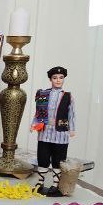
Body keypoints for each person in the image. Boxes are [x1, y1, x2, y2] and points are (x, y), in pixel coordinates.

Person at [30, 66, 75, 197]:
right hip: (44, 131)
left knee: (58, 159)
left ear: (64, 79)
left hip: (61, 133)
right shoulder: (43, 94)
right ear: (50, 79)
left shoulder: (68, 96)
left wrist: (72, 129)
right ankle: (40, 182)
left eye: (61, 78)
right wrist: (34, 124)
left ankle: (55, 185)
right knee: (43, 157)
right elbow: (38, 112)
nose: (58, 80)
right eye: (55, 78)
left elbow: (72, 114)